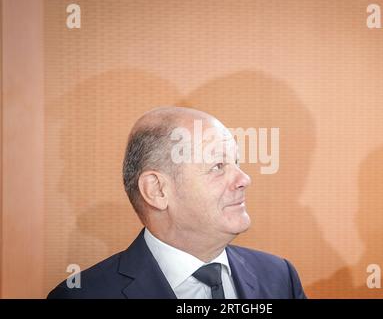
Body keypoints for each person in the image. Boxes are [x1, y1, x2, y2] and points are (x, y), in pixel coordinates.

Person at [48, 106, 306, 299]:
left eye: (236, 163)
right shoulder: (83, 296)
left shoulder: (279, 277)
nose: (244, 179)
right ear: (158, 190)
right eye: (218, 166)